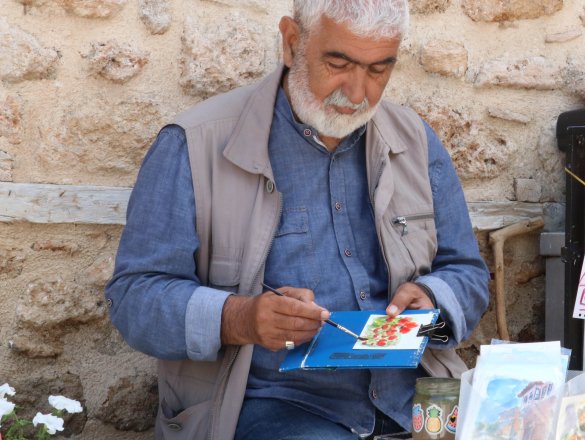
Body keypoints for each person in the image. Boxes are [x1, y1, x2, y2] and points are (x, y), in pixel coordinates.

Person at [104, 1, 490, 439]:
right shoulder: (193, 144)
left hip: (415, 402)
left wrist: (431, 296)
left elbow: (468, 274)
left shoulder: (416, 141)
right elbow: (134, 297)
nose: (359, 92)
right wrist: (241, 317)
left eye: (379, 70)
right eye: (339, 63)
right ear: (291, 42)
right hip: (273, 406)